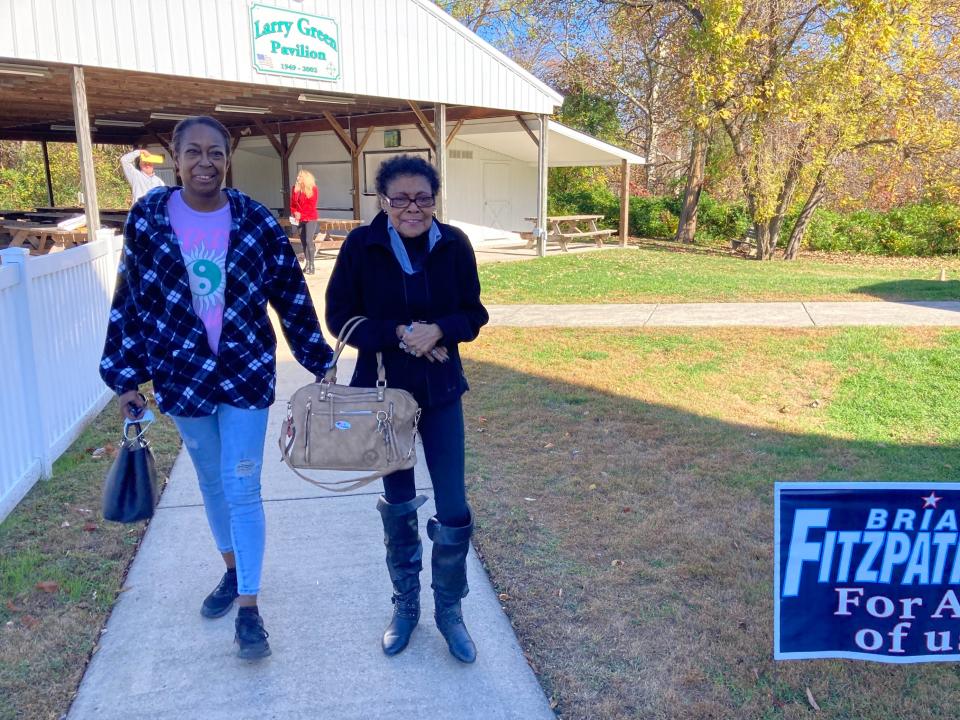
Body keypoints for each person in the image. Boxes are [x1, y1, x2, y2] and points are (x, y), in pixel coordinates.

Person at [100, 116, 334, 660]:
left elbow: (290, 293)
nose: (205, 163)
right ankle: (232, 570)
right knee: (210, 479)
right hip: (180, 374)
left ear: (228, 158)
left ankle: (249, 608)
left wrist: (317, 358)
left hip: (246, 369)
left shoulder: (253, 220)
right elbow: (130, 299)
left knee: (244, 483)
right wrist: (125, 376)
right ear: (175, 157)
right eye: (193, 153)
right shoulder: (149, 219)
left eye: (216, 153)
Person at [325, 154, 488, 663]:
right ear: (384, 201)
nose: (412, 208)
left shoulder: (454, 244)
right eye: (401, 199)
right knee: (398, 505)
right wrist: (400, 334)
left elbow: (474, 312)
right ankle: (406, 605)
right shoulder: (361, 245)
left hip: (441, 394)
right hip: (383, 399)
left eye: (422, 197)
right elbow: (339, 317)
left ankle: (449, 611)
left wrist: (440, 329)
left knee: (454, 508)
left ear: (434, 199)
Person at [290, 170, 319, 274]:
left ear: (306, 178)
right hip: (299, 218)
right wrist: (295, 213)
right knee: (303, 242)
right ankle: (307, 264)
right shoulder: (295, 188)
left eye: (300, 177)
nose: (297, 178)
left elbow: (311, 205)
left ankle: (312, 265)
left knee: (308, 240)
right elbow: (293, 204)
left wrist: (301, 214)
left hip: (310, 217)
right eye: (298, 176)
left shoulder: (313, 189)